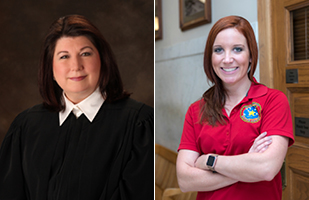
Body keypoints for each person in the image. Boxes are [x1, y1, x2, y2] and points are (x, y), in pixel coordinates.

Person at [0, 15, 153, 200]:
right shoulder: (25, 126)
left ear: (103, 60)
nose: (76, 65)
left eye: (85, 53)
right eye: (64, 56)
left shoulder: (138, 124)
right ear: (51, 69)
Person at [176, 15, 294, 200]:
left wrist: (208, 161)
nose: (227, 59)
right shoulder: (195, 110)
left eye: (237, 49)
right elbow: (185, 180)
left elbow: (266, 169)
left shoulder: (274, 101)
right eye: (219, 50)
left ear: (251, 55)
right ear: (210, 57)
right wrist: (247, 164)